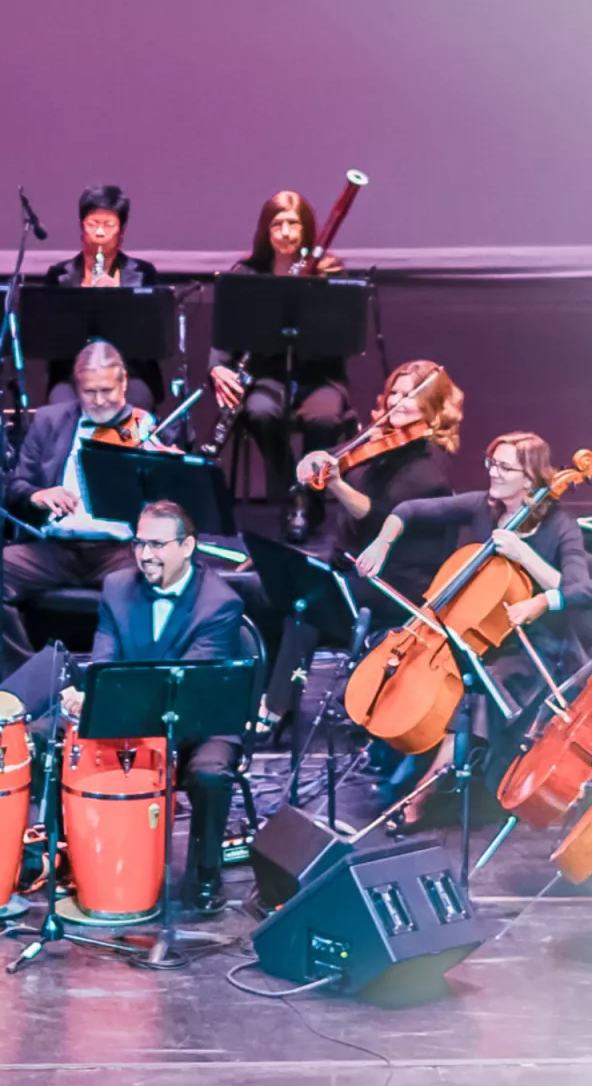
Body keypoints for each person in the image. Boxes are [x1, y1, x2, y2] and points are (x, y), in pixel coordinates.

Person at [71, 500, 247, 913]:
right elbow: (104, 662)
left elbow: (188, 687)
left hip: (199, 719)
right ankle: (70, 855)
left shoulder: (220, 603)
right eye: (138, 543)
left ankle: (206, 872)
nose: (144, 555)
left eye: (156, 544)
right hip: (129, 710)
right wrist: (90, 695)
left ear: (187, 547)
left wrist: (120, 706)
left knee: (209, 774)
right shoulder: (116, 586)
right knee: (49, 737)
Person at [354, 432, 589, 737]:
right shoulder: (483, 505)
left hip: (537, 645)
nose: (493, 472)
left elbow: (580, 589)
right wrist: (382, 543)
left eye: (505, 468)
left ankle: (447, 774)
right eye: (491, 463)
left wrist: (529, 567)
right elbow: (409, 510)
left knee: (483, 686)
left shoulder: (560, 526)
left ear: (530, 480)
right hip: (480, 636)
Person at [0, 341, 145, 675]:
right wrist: (37, 495)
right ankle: (27, 680)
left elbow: (173, 503)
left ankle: (121, 681)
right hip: (56, 547)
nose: (99, 401)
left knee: (153, 580)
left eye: (107, 390)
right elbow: (15, 484)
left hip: (120, 550)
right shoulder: (50, 421)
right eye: (89, 392)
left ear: (124, 382)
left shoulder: (147, 426)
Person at [211, 190, 355, 535]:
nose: (286, 232)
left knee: (323, 418)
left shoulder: (328, 273)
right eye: (278, 224)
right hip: (268, 376)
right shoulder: (246, 274)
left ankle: (311, 497)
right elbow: (224, 332)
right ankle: (292, 493)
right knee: (260, 412)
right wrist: (217, 367)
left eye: (294, 223)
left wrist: (319, 289)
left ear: (307, 230)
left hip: (319, 375)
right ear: (266, 230)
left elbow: (344, 339)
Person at [295, 360, 461, 606]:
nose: (395, 402)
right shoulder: (381, 439)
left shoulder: (429, 464)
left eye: (408, 396)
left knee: (299, 599)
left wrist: (337, 486)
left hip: (386, 580)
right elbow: (335, 455)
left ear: (432, 405)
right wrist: (313, 459)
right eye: (394, 393)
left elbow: (382, 518)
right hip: (348, 565)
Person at [43, 185, 160, 407]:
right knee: (59, 403)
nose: (99, 233)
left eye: (108, 225)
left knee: (139, 398)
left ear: (122, 231)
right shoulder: (59, 277)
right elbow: (50, 342)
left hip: (129, 374)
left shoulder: (143, 274)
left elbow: (152, 340)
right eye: (92, 224)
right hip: (73, 376)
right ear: (81, 226)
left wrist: (120, 301)